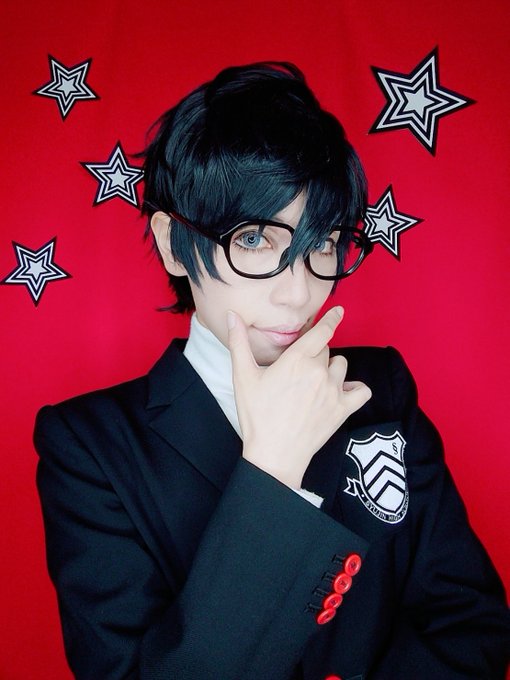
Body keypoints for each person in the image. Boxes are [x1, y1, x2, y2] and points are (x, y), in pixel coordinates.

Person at [34, 62, 510, 680]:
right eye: (256, 239)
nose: (298, 292)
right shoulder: (90, 445)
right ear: (175, 244)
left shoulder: (379, 390)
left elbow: (472, 626)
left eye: (321, 244)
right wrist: (272, 473)